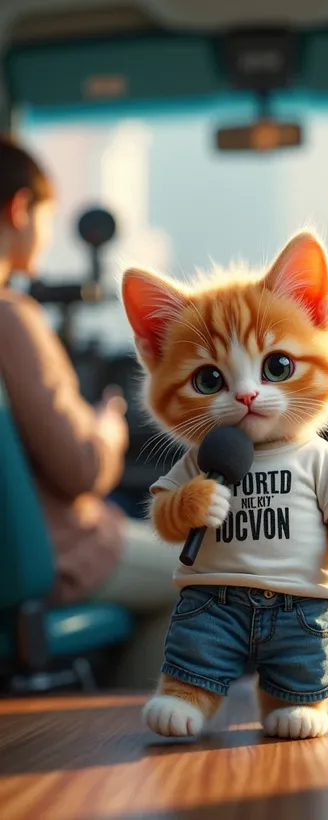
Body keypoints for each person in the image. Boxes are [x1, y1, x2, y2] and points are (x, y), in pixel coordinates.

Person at [0, 135, 179, 688]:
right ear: (20, 208)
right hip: (62, 553)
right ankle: (137, 740)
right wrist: (108, 429)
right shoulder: (11, 317)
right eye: (46, 216)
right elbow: (81, 470)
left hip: (40, 550)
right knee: (212, 574)